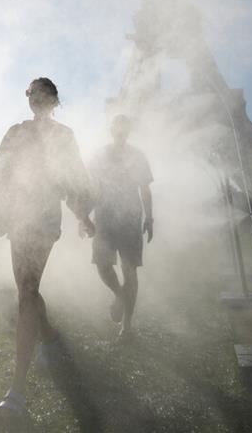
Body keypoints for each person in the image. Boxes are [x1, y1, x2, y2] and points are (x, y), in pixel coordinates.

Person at [0, 77, 95, 426]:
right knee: (27, 291)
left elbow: (75, 178)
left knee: (27, 292)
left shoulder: (64, 136)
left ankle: (16, 391)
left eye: (43, 93)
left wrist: (82, 216)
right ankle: (49, 337)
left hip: (45, 220)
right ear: (29, 98)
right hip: (18, 218)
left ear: (54, 100)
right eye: (31, 92)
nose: (36, 97)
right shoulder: (15, 132)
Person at [87, 114, 154, 341]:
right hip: (104, 216)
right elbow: (91, 187)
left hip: (130, 218)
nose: (120, 130)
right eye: (116, 125)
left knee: (129, 269)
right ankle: (119, 295)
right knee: (103, 266)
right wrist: (84, 216)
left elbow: (145, 189)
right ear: (111, 129)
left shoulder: (138, 156)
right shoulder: (100, 155)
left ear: (129, 130)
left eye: (124, 126)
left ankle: (127, 326)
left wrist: (150, 218)